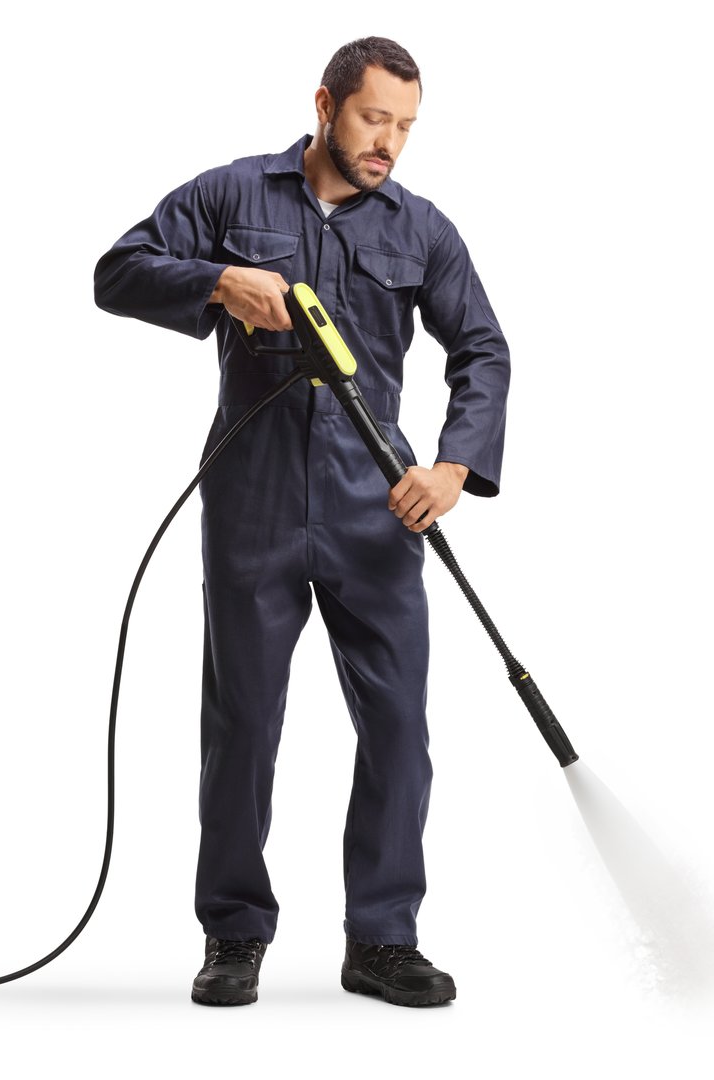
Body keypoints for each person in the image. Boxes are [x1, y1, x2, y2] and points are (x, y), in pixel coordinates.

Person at [92, 36, 509, 1008]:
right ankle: (233, 932)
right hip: (255, 503)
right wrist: (212, 281)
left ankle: (382, 939)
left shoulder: (425, 231)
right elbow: (119, 270)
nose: (389, 143)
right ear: (325, 103)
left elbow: (482, 346)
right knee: (242, 725)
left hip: (378, 507)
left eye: (405, 127)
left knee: (399, 727)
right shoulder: (236, 198)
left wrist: (452, 466)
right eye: (374, 119)